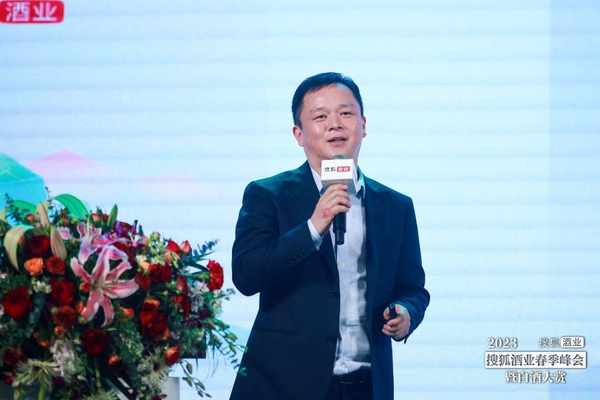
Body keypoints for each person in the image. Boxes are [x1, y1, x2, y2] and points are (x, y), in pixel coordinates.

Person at [229, 72, 430, 400]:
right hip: (283, 386)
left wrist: (406, 312)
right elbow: (247, 276)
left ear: (363, 125)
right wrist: (313, 226)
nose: (335, 124)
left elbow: (413, 288)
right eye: (320, 117)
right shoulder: (267, 195)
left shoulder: (396, 206)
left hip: (366, 386)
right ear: (298, 134)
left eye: (346, 113)